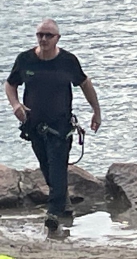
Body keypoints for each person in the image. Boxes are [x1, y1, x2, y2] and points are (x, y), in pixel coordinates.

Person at [4, 19, 101, 232]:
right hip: (33, 126)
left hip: (60, 126)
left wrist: (96, 111)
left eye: (49, 35)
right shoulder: (25, 60)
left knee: (57, 167)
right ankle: (64, 205)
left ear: (58, 38)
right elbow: (10, 84)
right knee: (46, 168)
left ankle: (53, 213)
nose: (44, 39)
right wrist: (15, 105)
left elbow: (85, 83)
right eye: (40, 35)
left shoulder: (67, 61)